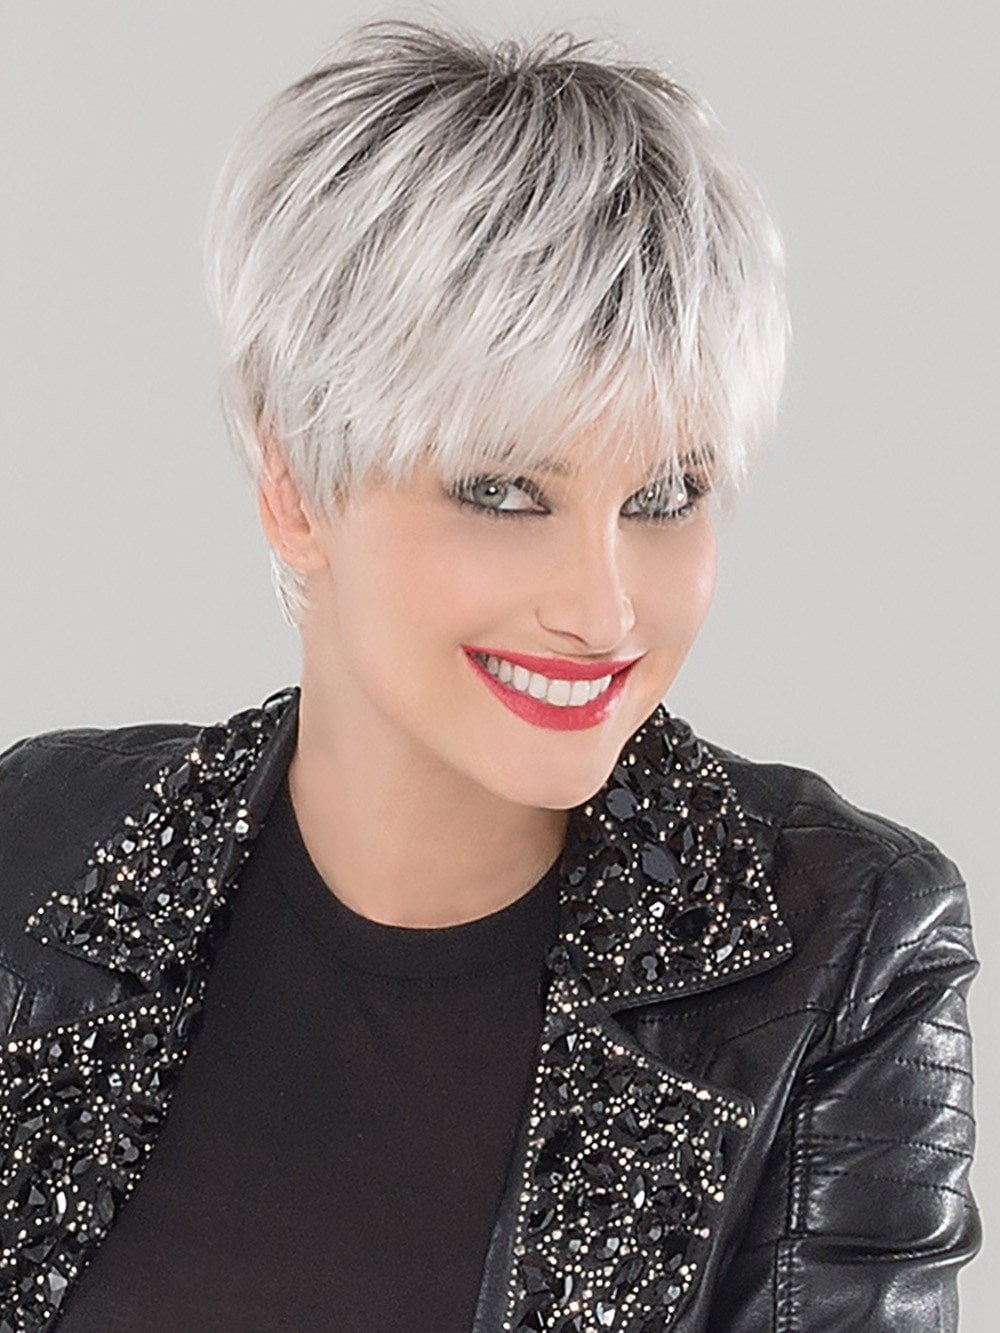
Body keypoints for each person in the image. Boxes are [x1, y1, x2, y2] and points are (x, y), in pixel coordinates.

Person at [0, 17, 979, 1332]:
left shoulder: (836, 955)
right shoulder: (40, 848)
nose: (601, 607)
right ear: (293, 483)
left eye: (665, 496)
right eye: (506, 491)